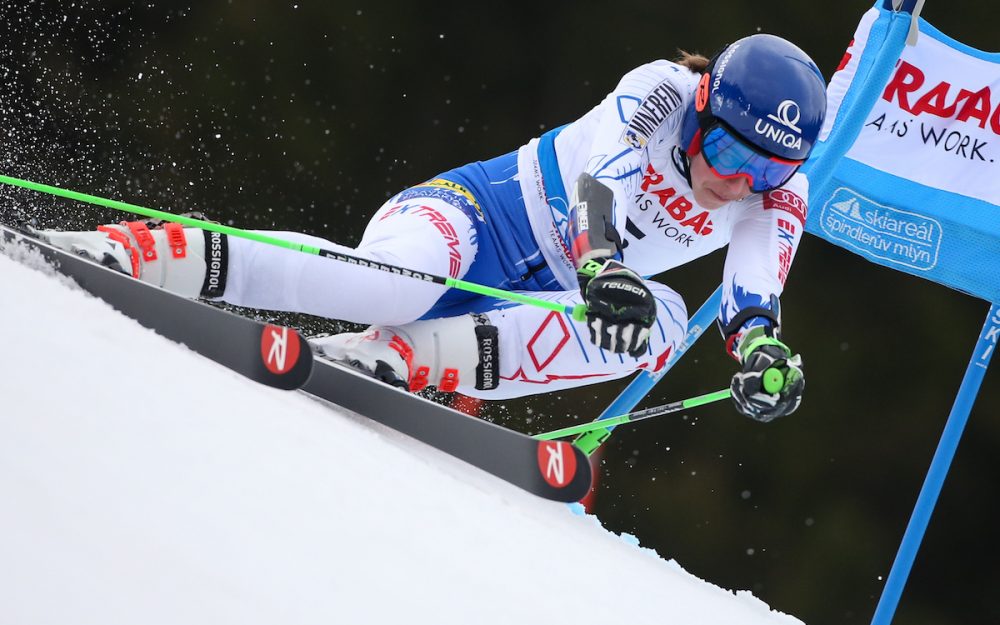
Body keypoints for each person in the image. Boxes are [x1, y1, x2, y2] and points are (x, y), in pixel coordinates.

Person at [41, 33, 826, 422]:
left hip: (534, 304)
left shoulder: (774, 192)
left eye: (767, 171)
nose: (738, 182)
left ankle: (399, 363)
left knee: (660, 325)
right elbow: (604, 178)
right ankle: (144, 252)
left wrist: (763, 353)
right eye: (727, 150)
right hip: (476, 218)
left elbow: (753, 286)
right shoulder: (660, 91)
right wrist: (602, 262)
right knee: (388, 284)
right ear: (703, 106)